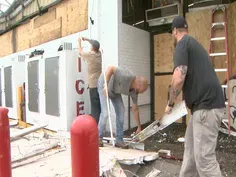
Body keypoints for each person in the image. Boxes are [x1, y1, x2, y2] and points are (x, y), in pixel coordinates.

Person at [165, 16, 225, 177]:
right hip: (203, 107)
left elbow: (178, 78)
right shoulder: (193, 44)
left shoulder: (182, 44)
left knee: (204, 161)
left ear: (175, 31)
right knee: (191, 153)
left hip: (206, 107)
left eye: (172, 32)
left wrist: (170, 103)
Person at [98, 66, 148, 148]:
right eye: (143, 90)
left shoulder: (134, 92)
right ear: (139, 85)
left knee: (121, 110)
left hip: (114, 91)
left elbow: (135, 109)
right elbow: (110, 68)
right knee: (106, 113)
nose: (142, 93)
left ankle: (119, 140)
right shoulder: (126, 76)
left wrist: (139, 127)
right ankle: (98, 137)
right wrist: (105, 85)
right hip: (104, 84)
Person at [78, 37, 102, 124]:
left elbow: (80, 52)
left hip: (93, 85)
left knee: (94, 107)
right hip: (99, 84)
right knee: (99, 106)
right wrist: (87, 39)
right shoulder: (99, 53)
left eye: (91, 45)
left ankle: (94, 126)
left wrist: (79, 42)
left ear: (92, 48)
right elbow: (95, 45)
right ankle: (99, 125)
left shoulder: (90, 55)